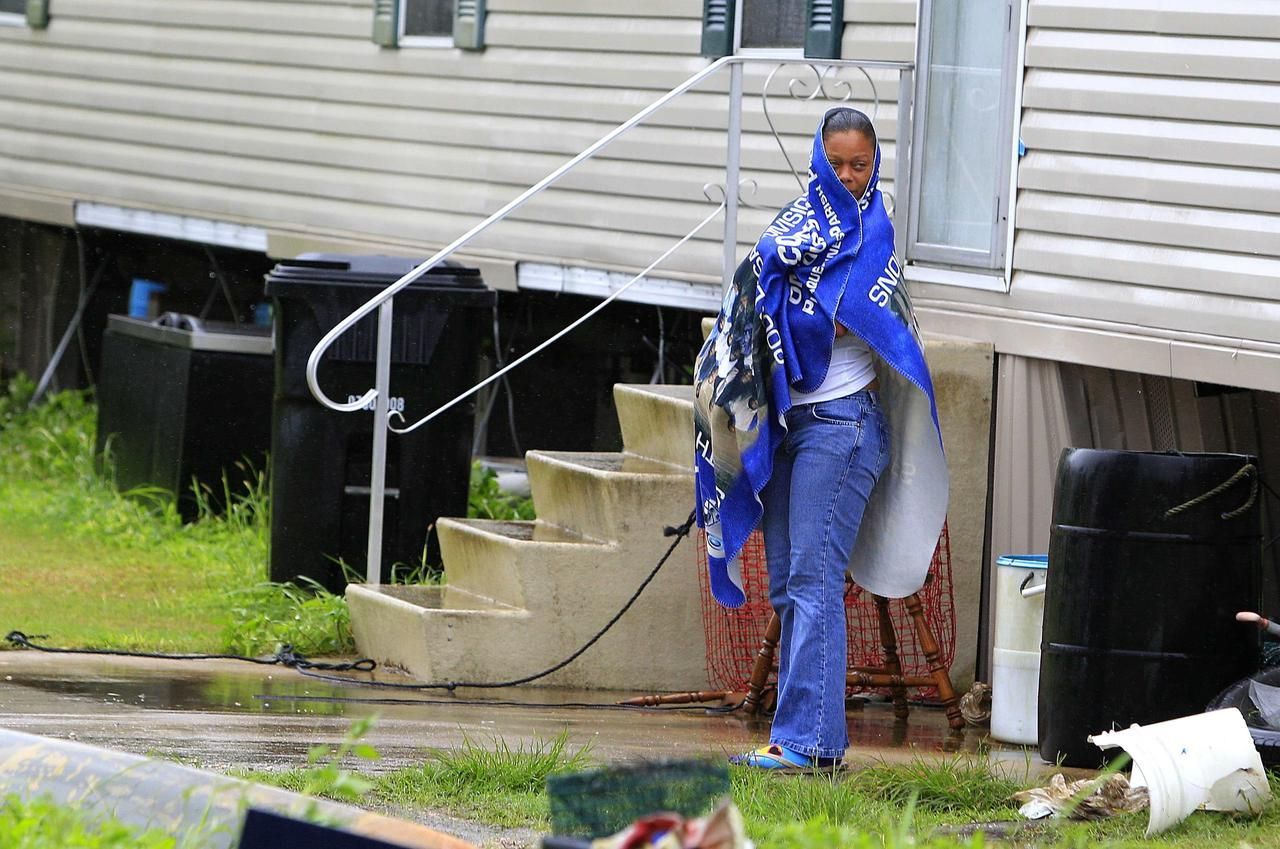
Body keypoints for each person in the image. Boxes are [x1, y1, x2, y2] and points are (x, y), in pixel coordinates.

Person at [693, 107, 949, 771]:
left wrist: (777, 309)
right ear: (817, 159)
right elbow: (754, 298)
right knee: (787, 584)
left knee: (812, 580)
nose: (846, 173)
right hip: (786, 423)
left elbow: (834, 319)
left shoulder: (875, 234)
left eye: (858, 163)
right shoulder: (796, 224)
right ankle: (804, 740)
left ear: (875, 164)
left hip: (842, 423)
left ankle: (810, 745)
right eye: (834, 162)